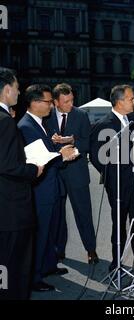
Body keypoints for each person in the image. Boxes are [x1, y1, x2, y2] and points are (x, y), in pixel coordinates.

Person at [18, 84, 76, 292]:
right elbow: (40, 159)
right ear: (34, 103)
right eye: (48, 101)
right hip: (41, 189)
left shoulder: (39, 123)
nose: (52, 105)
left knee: (51, 229)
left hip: (51, 186)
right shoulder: (26, 126)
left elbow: (48, 150)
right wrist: (62, 155)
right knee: (41, 233)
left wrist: (60, 149)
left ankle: (48, 265)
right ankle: (35, 276)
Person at [0, 67, 43, 300]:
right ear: (7, 90)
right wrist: (33, 168)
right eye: (16, 89)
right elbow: (8, 165)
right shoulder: (5, 122)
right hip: (11, 210)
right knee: (14, 270)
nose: (18, 93)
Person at [90, 84, 134, 272]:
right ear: (120, 102)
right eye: (130, 98)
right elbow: (96, 156)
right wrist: (111, 173)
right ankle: (116, 261)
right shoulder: (103, 124)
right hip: (117, 182)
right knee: (119, 221)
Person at [46, 83, 98, 264]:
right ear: (55, 102)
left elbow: (88, 143)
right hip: (55, 173)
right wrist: (54, 143)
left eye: (72, 100)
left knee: (83, 212)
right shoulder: (47, 116)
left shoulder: (81, 116)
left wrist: (72, 141)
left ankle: (91, 249)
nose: (70, 104)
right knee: (57, 215)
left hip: (77, 172)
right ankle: (58, 251)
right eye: (66, 101)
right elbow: (43, 144)